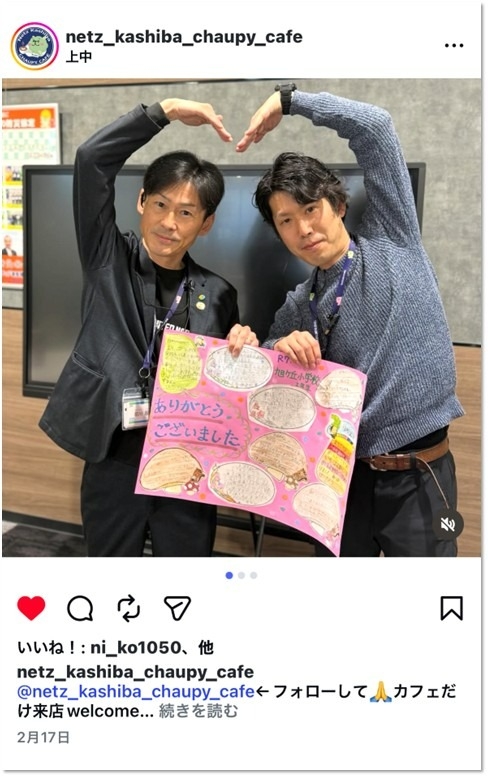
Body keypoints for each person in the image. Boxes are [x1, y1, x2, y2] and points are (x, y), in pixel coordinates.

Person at [236, 85, 464, 557]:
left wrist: (290, 100)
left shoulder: (393, 238)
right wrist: (279, 349)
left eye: (310, 209)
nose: (304, 229)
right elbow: (269, 364)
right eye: (286, 220)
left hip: (420, 475)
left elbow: (376, 128)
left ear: (338, 206)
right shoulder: (299, 302)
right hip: (338, 481)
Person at [39, 97, 257, 557]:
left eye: (186, 212)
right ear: (141, 202)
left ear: (206, 223)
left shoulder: (219, 293)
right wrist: (164, 111)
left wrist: (245, 346)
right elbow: (91, 160)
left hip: (187, 458)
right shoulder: (107, 258)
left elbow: (226, 385)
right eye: (160, 204)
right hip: (114, 453)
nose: (169, 223)